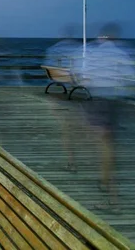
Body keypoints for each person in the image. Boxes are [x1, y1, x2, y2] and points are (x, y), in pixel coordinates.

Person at [81, 23, 135, 211]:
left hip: (99, 100)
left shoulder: (94, 53)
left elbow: (84, 78)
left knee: (105, 145)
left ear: (102, 37)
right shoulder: (122, 54)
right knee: (108, 143)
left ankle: (112, 197)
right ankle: (107, 183)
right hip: (115, 101)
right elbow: (131, 76)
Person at [44, 26, 82, 172]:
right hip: (72, 81)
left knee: (66, 126)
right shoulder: (78, 49)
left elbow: (50, 62)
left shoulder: (54, 48)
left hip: (57, 79)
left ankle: (71, 161)